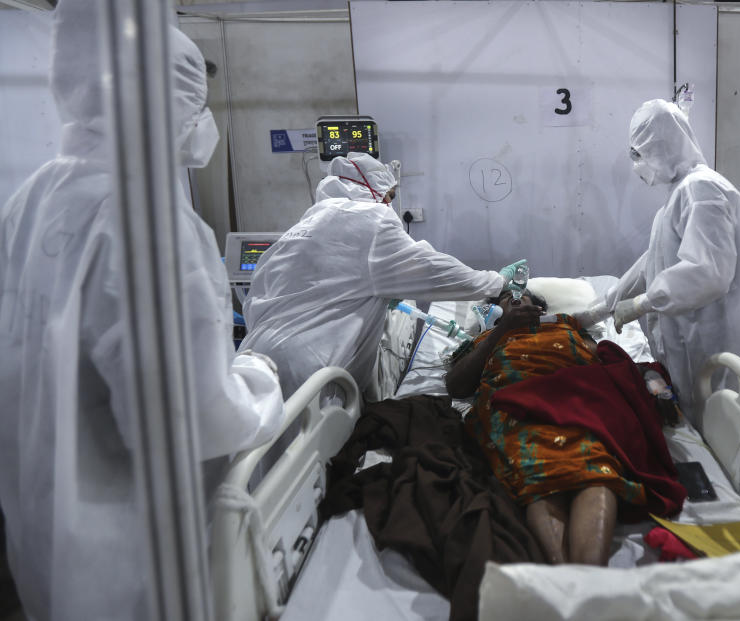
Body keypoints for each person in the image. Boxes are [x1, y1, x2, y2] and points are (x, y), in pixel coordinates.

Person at [0, 5, 285, 619]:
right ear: (163, 105)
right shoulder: (150, 223)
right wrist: (262, 380)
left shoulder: (33, 198)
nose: (202, 122)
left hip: (39, 518)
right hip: (129, 553)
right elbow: (197, 419)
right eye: (195, 103)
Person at [240, 151, 527, 399]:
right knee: (310, 453)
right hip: (309, 367)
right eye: (388, 196)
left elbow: (261, 297)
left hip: (253, 358)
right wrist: (496, 282)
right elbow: (434, 271)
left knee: (262, 458)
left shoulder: (306, 224)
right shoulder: (371, 219)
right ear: (371, 191)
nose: (389, 204)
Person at [445, 292, 684, 565]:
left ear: (538, 305)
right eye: (506, 297)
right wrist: (501, 332)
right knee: (537, 469)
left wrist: (655, 383)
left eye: (522, 295)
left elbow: (615, 366)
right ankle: (567, 579)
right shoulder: (483, 339)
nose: (515, 297)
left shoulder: (565, 324)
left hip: (575, 400)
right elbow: (456, 386)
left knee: (596, 464)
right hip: (514, 401)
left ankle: (583, 579)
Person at [586, 98, 740, 429]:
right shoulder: (680, 195)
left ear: (661, 146)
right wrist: (598, 310)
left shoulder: (703, 190)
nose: (636, 165)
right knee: (698, 422)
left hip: (710, 337)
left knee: (721, 426)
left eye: (638, 154)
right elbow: (651, 263)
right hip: (691, 337)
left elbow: (709, 273)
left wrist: (642, 303)